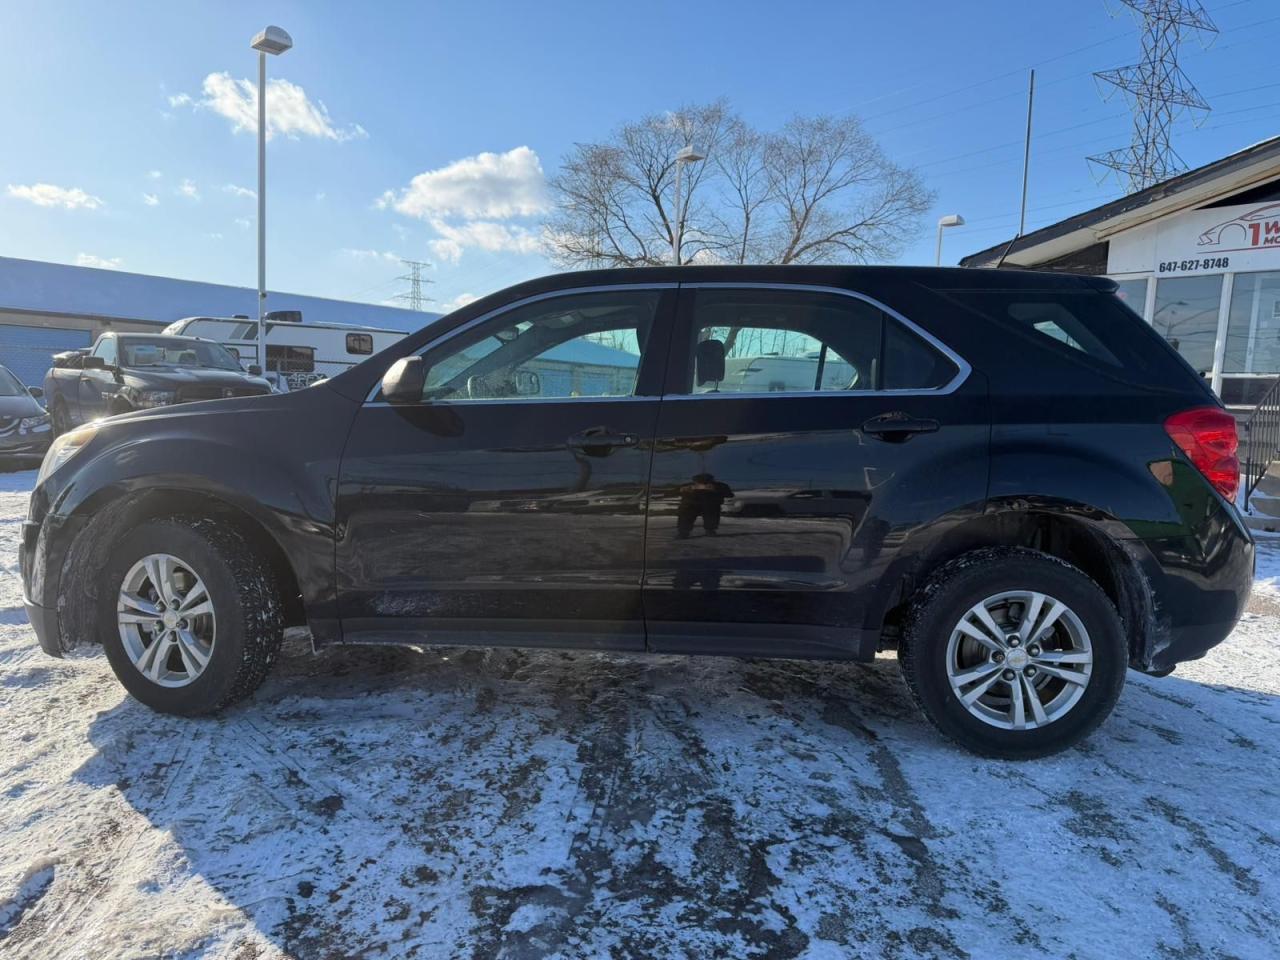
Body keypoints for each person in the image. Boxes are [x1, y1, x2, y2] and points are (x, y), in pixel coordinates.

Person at [675, 473, 734, 538]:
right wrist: (681, 490)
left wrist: (716, 489)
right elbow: (671, 492)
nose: (702, 483)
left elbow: (730, 494)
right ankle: (683, 532)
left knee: (711, 515)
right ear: (694, 480)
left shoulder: (719, 485)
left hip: (711, 505)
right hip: (690, 505)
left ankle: (710, 531)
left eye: (706, 481)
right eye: (698, 481)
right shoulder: (688, 485)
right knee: (685, 515)